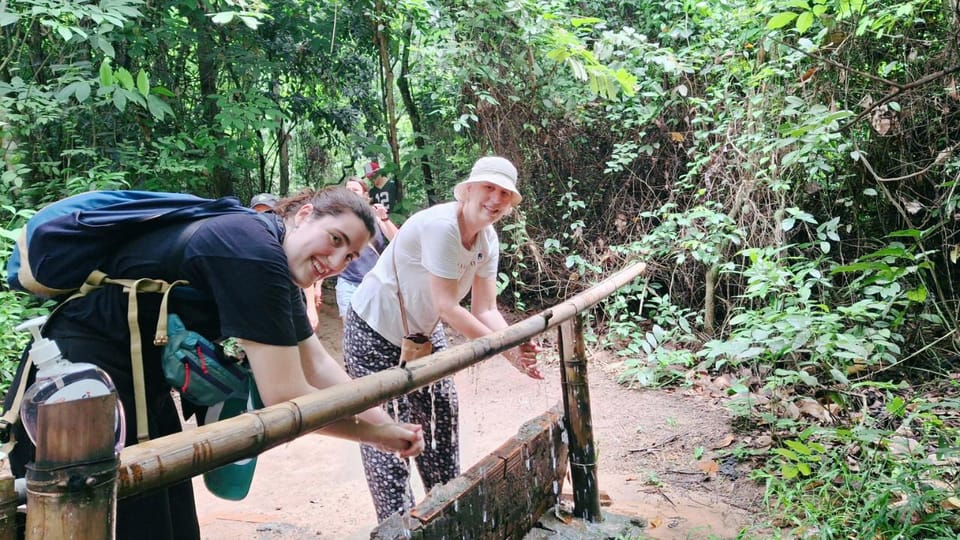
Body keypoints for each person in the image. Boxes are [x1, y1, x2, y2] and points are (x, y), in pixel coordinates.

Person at [7, 187, 424, 540]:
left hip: (140, 379)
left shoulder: (269, 255)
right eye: (335, 240)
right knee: (108, 521)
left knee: (169, 520)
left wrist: (387, 423)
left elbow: (315, 363)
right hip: (79, 381)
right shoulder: (251, 251)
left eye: (350, 257)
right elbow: (286, 396)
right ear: (304, 215)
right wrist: (377, 435)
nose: (334, 264)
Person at [343, 156, 542, 521]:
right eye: (488, 188)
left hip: (422, 329)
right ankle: (398, 526)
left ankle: (446, 514)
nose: (495, 200)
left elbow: (484, 310)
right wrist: (507, 353)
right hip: (373, 327)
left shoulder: (488, 238)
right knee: (389, 432)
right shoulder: (442, 227)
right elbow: (450, 307)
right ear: (468, 190)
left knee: (441, 414)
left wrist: (516, 346)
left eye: (504, 194)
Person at [248, 192, 321, 330]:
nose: (264, 216)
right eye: (258, 213)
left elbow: (305, 275)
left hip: (291, 301)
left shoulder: (288, 241)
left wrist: (311, 308)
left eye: (269, 212)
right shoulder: (250, 244)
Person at [335, 176, 398, 320]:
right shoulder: (337, 218)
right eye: (348, 190)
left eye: (355, 190)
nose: (351, 192)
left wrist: (384, 218)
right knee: (350, 329)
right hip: (347, 282)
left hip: (375, 282)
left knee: (378, 327)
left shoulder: (375, 216)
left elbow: (397, 240)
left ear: (365, 194)